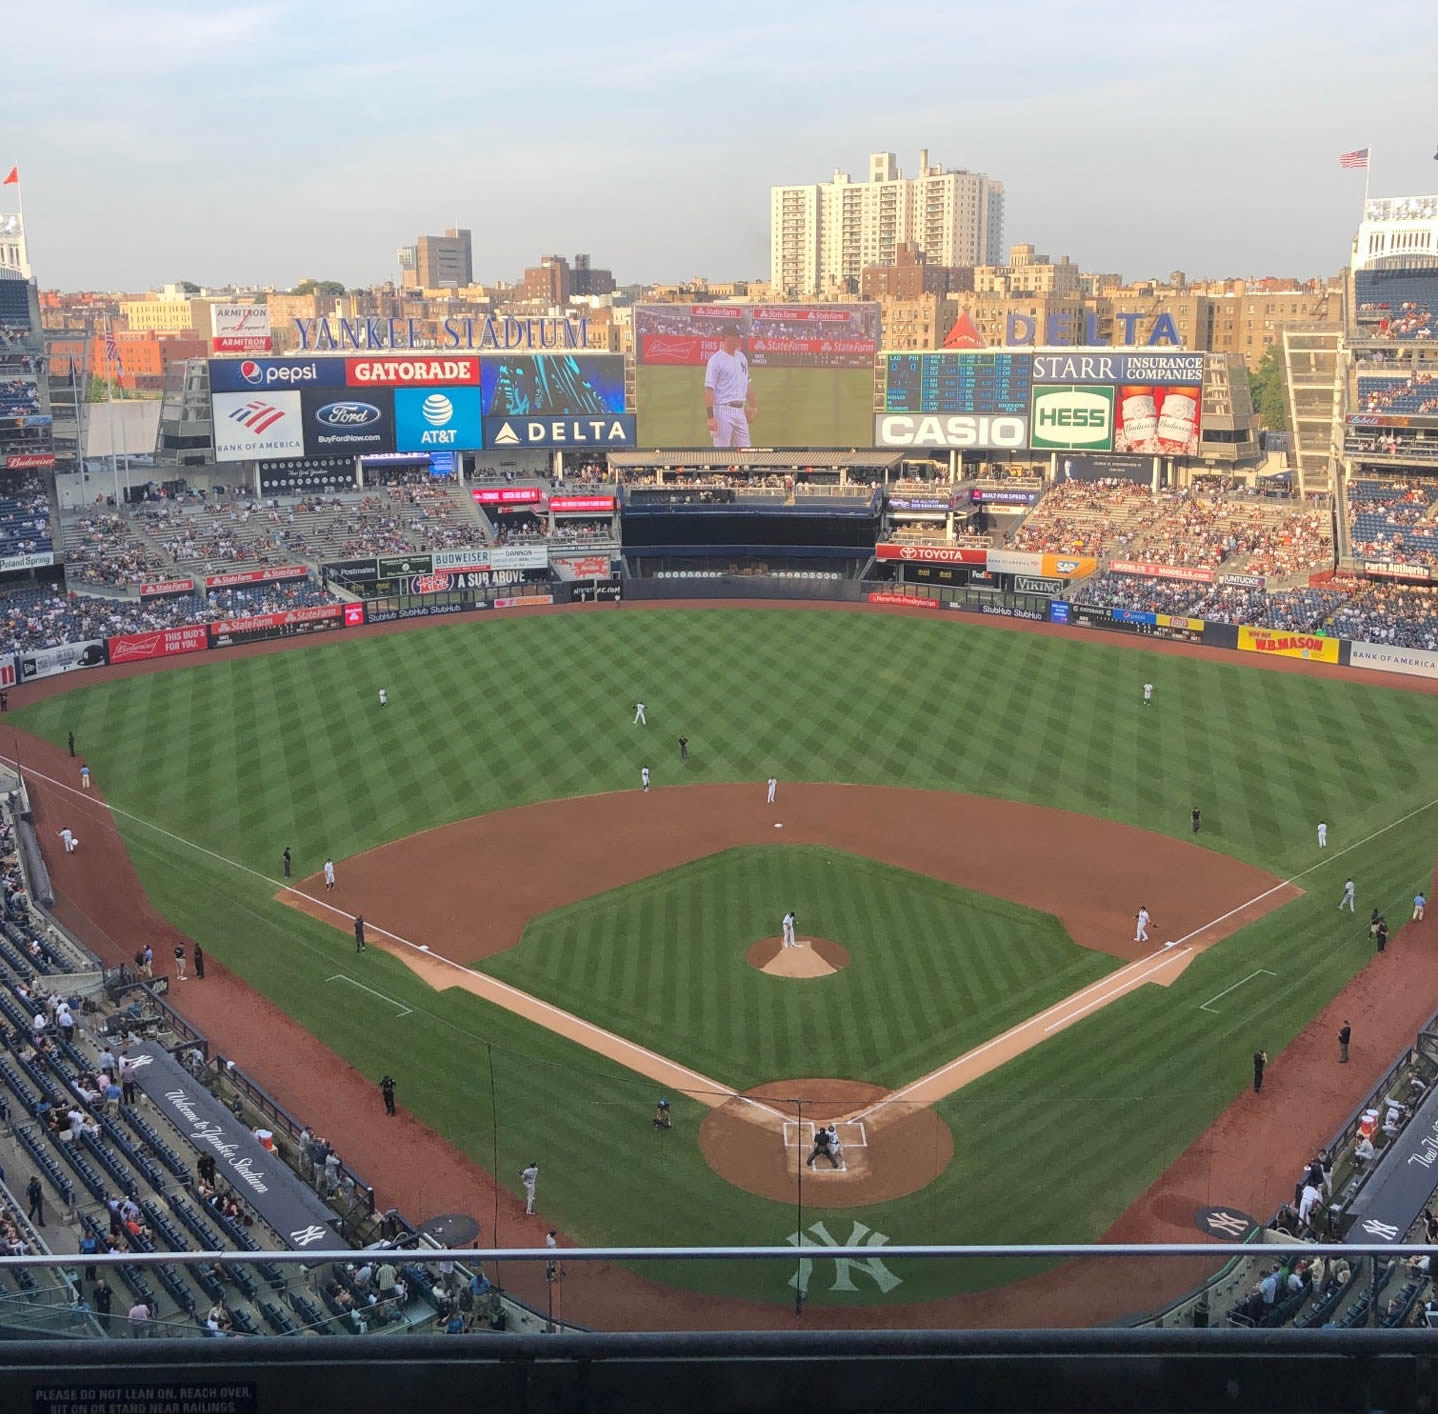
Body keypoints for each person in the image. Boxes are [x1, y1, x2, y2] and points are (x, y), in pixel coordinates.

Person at [704, 323, 755, 449]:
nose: (739, 339)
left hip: (740, 411)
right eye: (735, 336)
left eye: (739, 336)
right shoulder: (716, 360)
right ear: (725, 338)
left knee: (746, 453)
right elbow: (708, 390)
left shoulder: (741, 357)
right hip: (722, 411)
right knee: (722, 454)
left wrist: (754, 406)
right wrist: (710, 417)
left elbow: (747, 383)